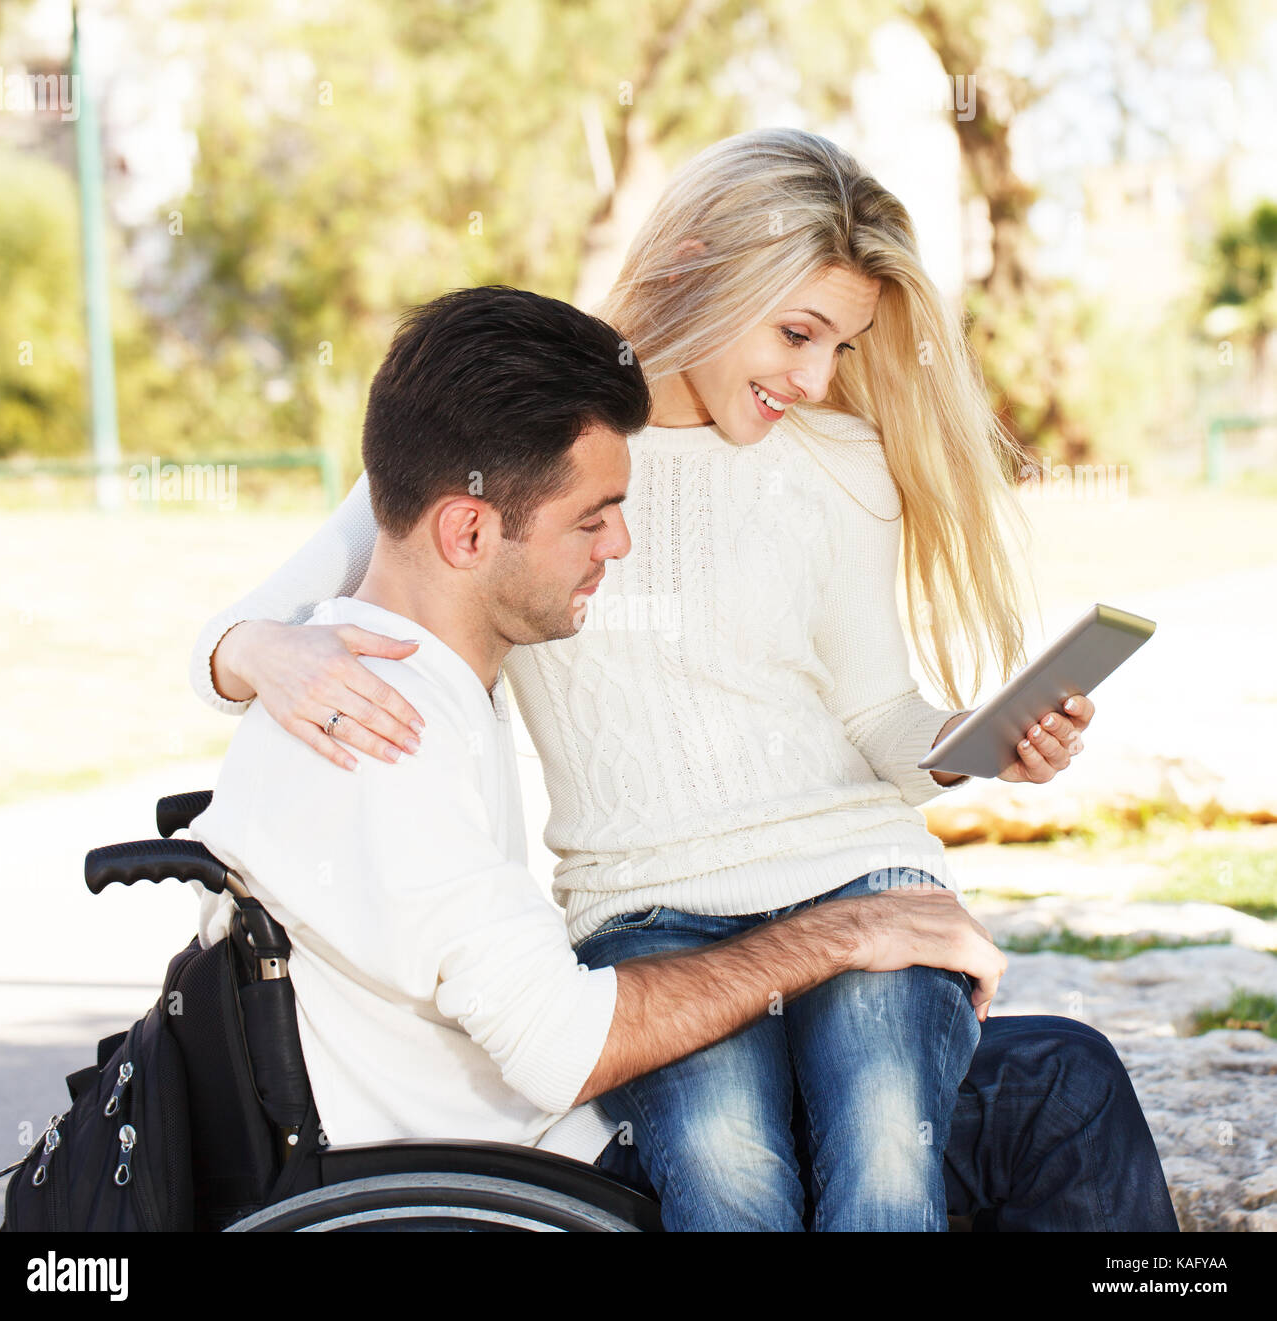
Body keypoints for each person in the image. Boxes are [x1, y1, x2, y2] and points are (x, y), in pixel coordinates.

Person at [189, 129, 1178, 1232]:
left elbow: (871, 716)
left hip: (853, 868)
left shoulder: (837, 463)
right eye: (797, 331)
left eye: (842, 346)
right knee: (724, 1175)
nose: (813, 378)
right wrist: (258, 651)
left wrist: (977, 740)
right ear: (702, 265)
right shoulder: (533, 434)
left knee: (885, 1158)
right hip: (643, 909)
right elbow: (297, 599)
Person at [187, 283, 1007, 1184]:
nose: (620, 545)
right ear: (467, 530)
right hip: (537, 1169)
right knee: (1025, 1107)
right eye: (593, 518)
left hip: (522, 1125)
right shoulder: (391, 730)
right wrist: (851, 932)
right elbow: (561, 1047)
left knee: (1050, 1084)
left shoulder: (394, 675)